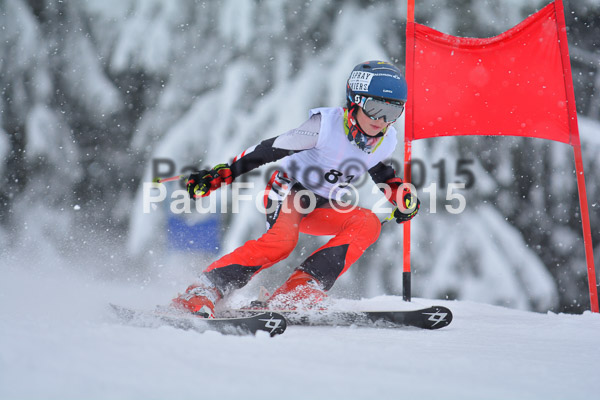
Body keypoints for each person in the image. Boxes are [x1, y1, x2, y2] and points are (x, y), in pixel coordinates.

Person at [172, 60, 420, 317]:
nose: (381, 120)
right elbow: (268, 149)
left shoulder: (386, 139)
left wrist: (401, 195)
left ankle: (298, 290)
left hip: (323, 203)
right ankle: (203, 289)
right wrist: (219, 175)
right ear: (355, 100)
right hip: (289, 191)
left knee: (367, 223)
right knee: (281, 244)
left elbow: (381, 172)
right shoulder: (324, 126)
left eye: (392, 112)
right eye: (375, 108)